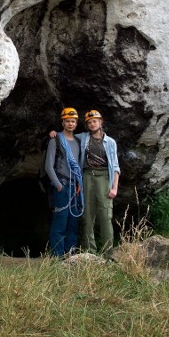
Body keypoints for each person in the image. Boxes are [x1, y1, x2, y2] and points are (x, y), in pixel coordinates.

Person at [51, 109, 120, 254]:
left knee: (106, 217)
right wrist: (54, 134)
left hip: (104, 177)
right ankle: (90, 252)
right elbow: (66, 136)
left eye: (94, 121)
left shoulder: (110, 142)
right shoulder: (83, 137)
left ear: (101, 122)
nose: (92, 124)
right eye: (89, 122)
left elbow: (115, 166)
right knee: (87, 216)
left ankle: (108, 254)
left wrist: (114, 187)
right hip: (87, 177)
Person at [44, 107, 83, 257]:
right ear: (63, 122)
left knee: (72, 222)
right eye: (67, 121)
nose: (70, 124)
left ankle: (71, 254)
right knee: (60, 221)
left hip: (75, 186)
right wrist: (58, 185)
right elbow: (49, 166)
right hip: (62, 184)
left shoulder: (79, 141)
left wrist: (79, 184)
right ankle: (57, 256)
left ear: (76, 123)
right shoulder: (56, 140)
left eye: (73, 121)